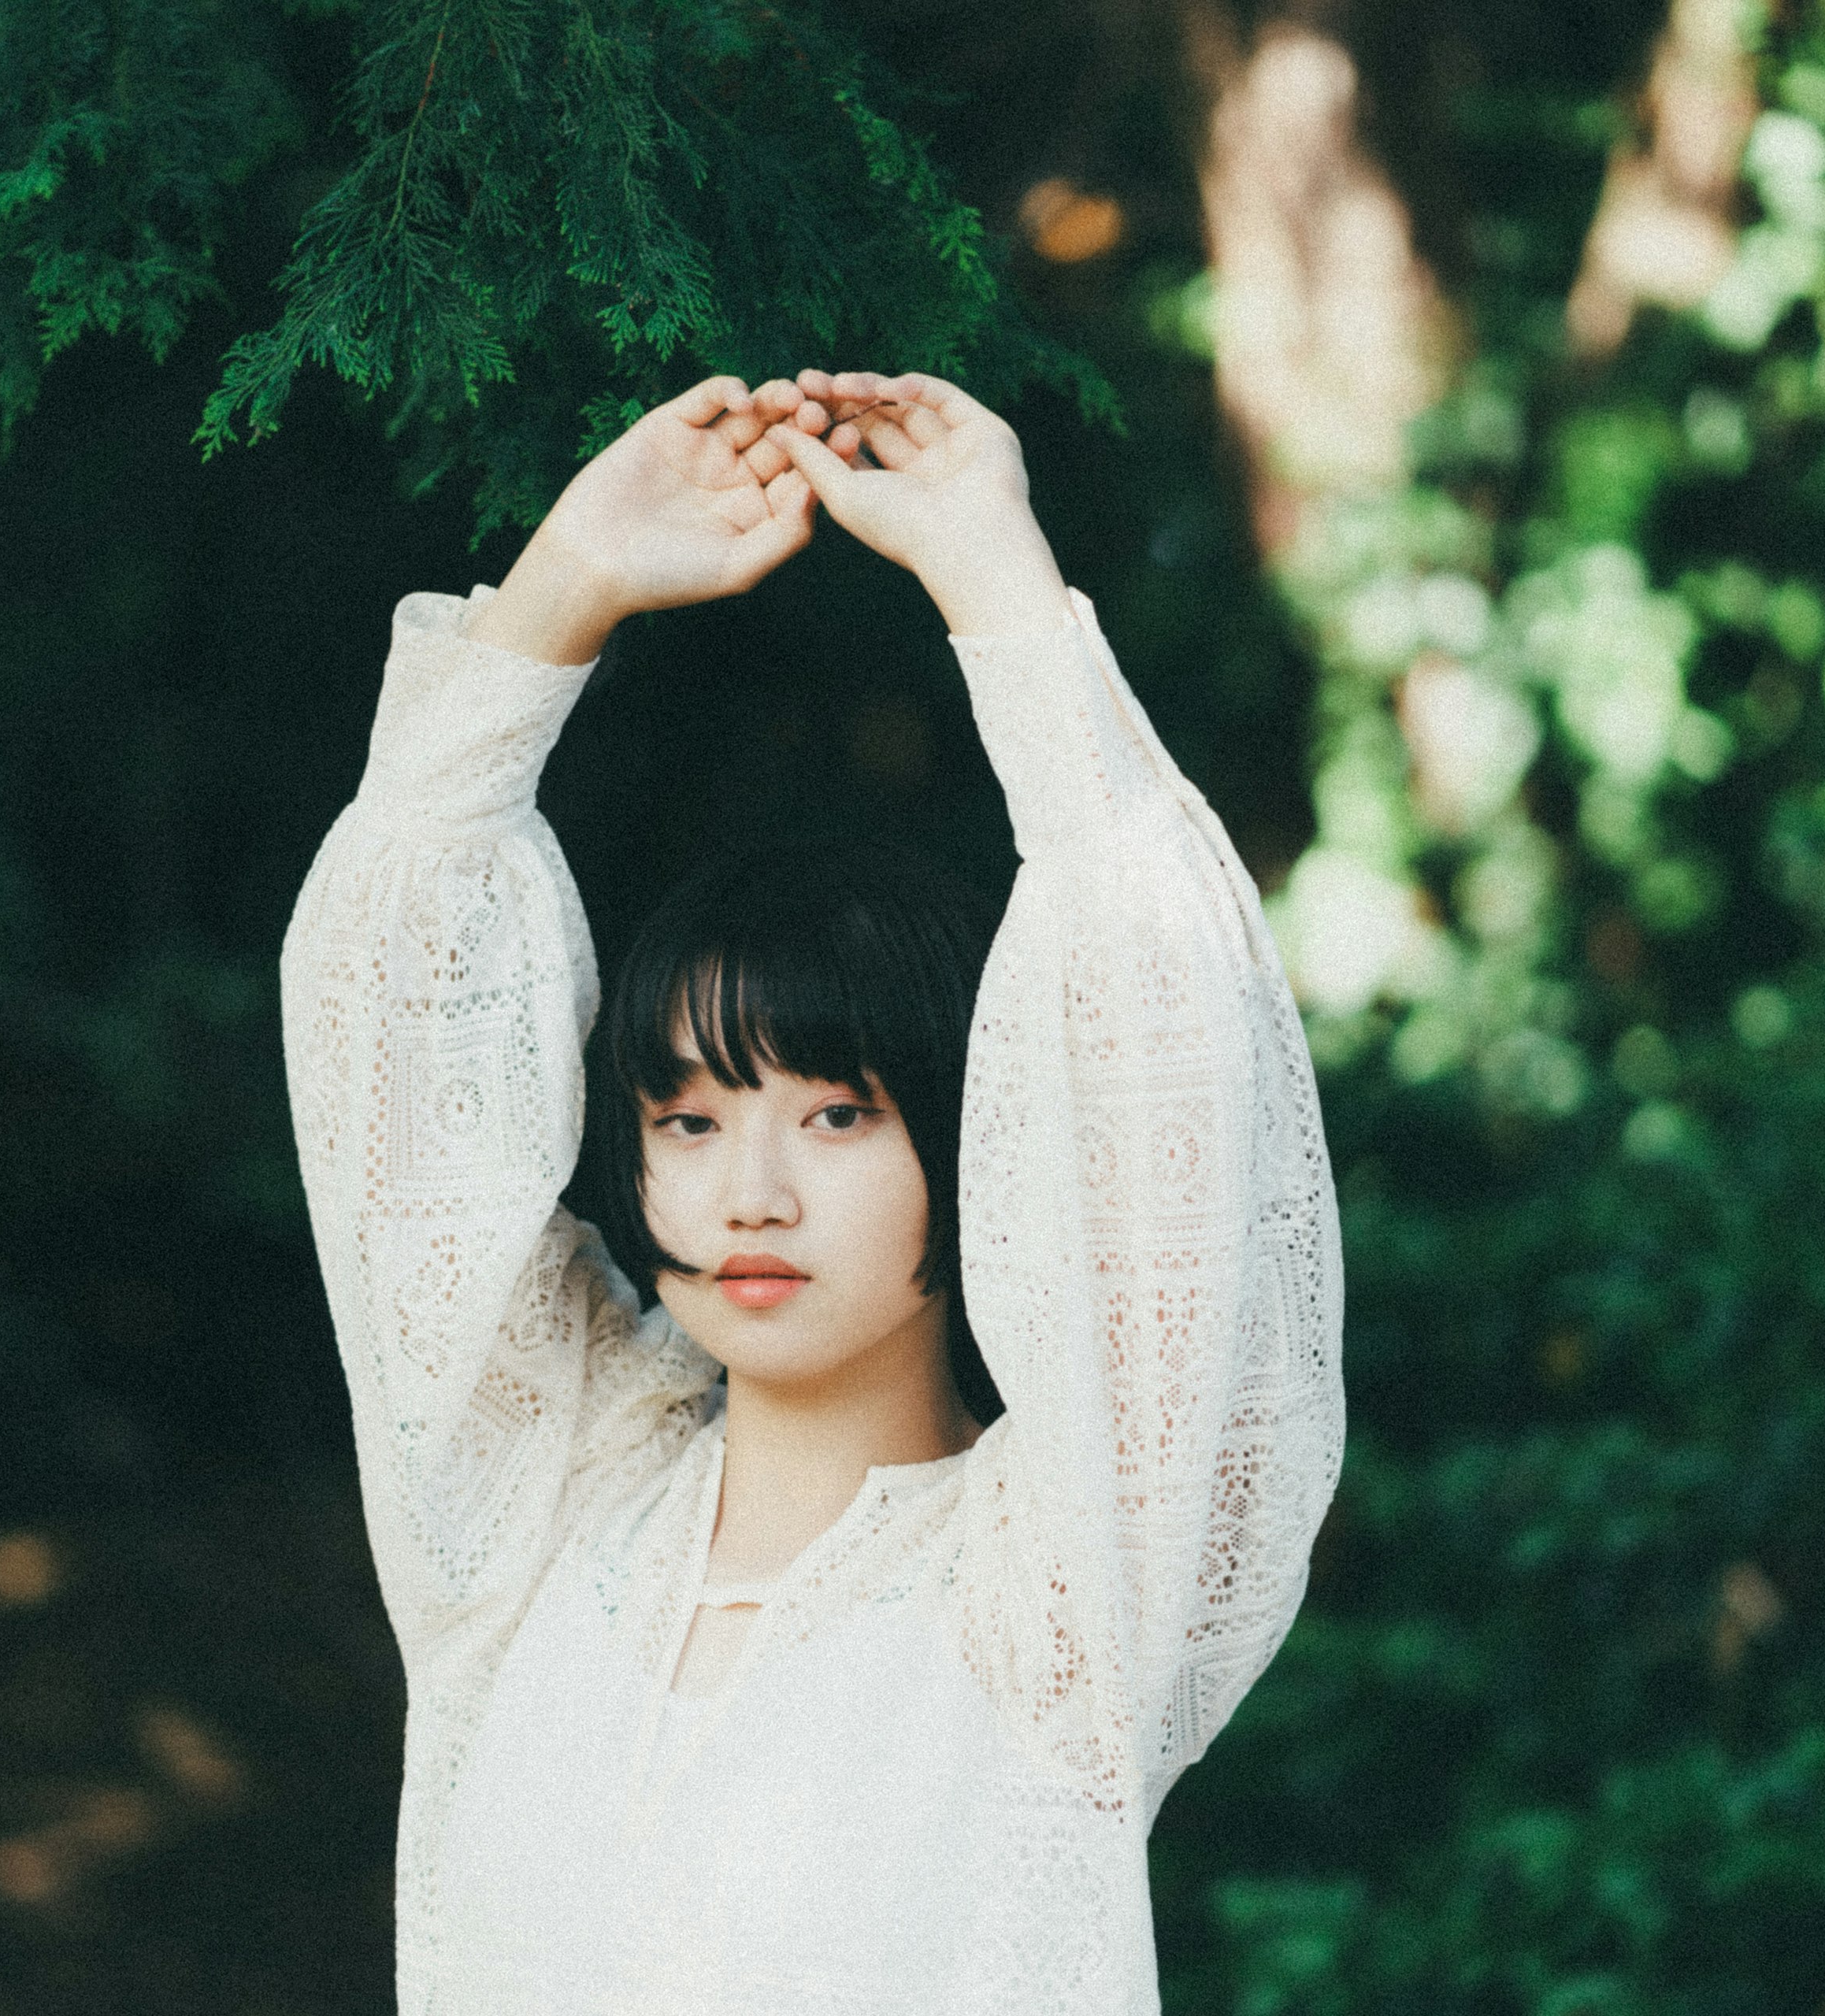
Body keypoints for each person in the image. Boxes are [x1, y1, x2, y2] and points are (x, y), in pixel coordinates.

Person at [280, 368, 1345, 2013]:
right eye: (691, 1120)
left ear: (971, 1148)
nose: (750, 1192)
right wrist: (566, 585)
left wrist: (999, 585)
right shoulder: (537, 1504)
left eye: (838, 1114)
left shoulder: (1057, 1582)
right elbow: (393, 1081)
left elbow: (1166, 1050)